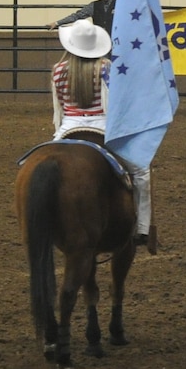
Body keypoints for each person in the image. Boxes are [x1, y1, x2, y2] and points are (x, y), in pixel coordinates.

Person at [50, 21, 152, 250]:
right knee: (141, 171)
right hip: (103, 129)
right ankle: (143, 227)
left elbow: (59, 109)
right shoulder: (107, 68)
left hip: (68, 128)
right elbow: (114, 105)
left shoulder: (57, 71)